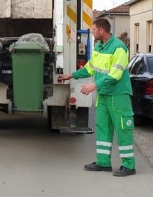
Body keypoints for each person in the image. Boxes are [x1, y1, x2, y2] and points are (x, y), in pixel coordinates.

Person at [58, 18, 136, 177]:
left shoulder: (119, 48)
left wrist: (95, 85)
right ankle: (103, 163)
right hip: (104, 96)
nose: (92, 32)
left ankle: (129, 166)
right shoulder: (98, 47)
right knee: (102, 128)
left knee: (123, 129)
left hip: (118, 96)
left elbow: (115, 74)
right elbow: (89, 68)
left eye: (94, 29)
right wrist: (72, 75)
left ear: (101, 30)